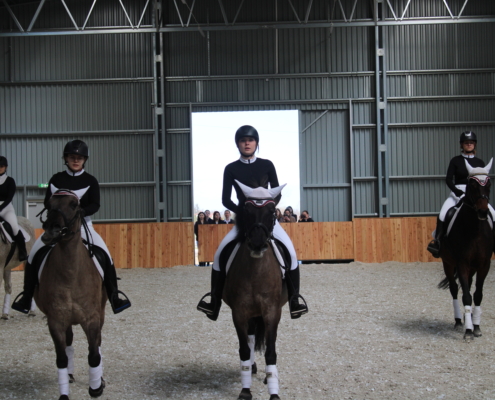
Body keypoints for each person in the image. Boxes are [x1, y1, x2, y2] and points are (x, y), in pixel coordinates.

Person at [197, 125, 308, 320]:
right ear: (238, 144)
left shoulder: (267, 165)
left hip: (265, 219)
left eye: (250, 140)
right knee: (219, 254)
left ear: (256, 143)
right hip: (244, 220)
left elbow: (277, 193)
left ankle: (294, 299)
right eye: (243, 140)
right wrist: (243, 212)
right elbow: (225, 199)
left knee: (290, 252)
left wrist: (266, 210)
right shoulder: (231, 168)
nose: (247, 143)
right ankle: (214, 302)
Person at [12, 140, 131, 314]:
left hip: (83, 225)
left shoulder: (90, 180)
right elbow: (47, 202)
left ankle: (114, 297)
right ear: (66, 158)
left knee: (105, 255)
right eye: (72, 157)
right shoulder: (56, 179)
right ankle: (27, 297)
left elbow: (95, 204)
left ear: (84, 160)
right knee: (34, 255)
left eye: (79, 158)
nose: (76, 160)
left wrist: (81, 212)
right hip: (58, 227)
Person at [427, 131, 495, 257]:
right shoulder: (455, 160)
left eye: (471, 142)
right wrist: (457, 192)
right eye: (466, 143)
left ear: (475, 144)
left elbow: (482, 182)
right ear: (462, 145)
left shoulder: (480, 162)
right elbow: (448, 179)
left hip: (475, 194)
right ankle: (438, 243)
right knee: (443, 213)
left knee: (493, 214)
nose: (469, 144)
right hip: (457, 192)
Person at [0, 156, 28, 261]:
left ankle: (23, 251)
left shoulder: (10, 180)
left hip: (6, 208)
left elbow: (9, 198)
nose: (0, 168)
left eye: (2, 166)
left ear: (6, 167)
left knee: (14, 227)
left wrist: (0, 207)